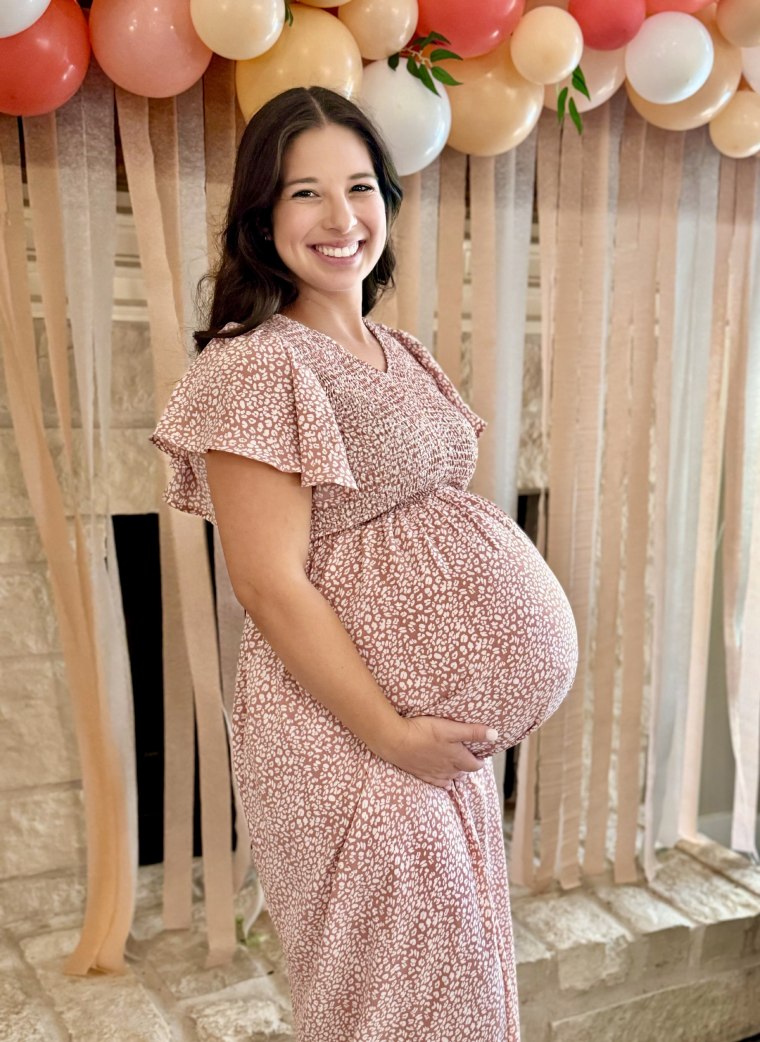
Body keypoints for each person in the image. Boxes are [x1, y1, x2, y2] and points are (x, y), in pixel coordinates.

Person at [151, 85, 578, 1042]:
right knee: (395, 1006)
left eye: (359, 187)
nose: (340, 219)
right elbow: (268, 583)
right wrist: (389, 733)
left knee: (453, 993)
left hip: (418, 740)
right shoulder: (256, 364)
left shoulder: (395, 348)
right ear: (262, 218)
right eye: (305, 193)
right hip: (347, 741)